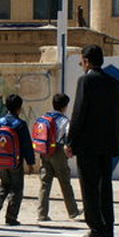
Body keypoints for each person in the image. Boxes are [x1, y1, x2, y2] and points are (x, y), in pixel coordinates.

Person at [67, 45, 119, 237]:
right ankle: (108, 226)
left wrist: (70, 141)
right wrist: (117, 141)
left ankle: (95, 228)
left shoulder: (86, 80)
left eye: (82, 61)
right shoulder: (115, 83)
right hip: (108, 144)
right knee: (105, 185)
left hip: (88, 144)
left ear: (87, 61)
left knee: (90, 186)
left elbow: (79, 112)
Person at [0, 93, 35, 226]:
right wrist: (30, 163)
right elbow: (26, 145)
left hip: (1, 161)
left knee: (4, 184)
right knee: (16, 189)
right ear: (19, 108)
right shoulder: (20, 124)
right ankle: (11, 217)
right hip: (15, 162)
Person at [36, 93, 81, 222]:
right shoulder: (65, 120)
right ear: (65, 106)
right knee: (65, 182)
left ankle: (42, 213)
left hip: (44, 151)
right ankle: (72, 211)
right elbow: (69, 137)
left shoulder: (44, 117)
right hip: (58, 151)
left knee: (45, 183)